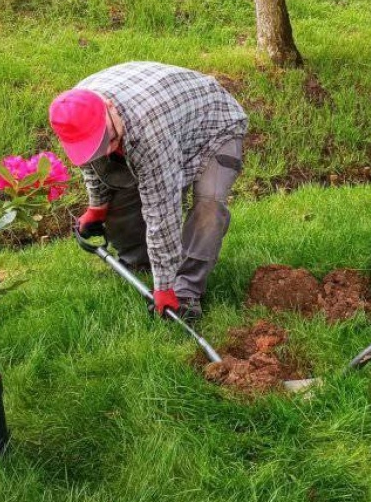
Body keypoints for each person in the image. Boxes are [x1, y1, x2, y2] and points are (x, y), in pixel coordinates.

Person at [49, 61, 247, 322]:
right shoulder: (74, 111)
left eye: (108, 140)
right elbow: (92, 162)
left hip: (214, 125)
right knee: (117, 190)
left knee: (208, 205)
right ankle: (138, 262)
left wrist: (165, 287)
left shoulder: (149, 130)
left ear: (109, 107)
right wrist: (97, 207)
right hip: (169, 118)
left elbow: (162, 211)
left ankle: (185, 291)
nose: (107, 150)